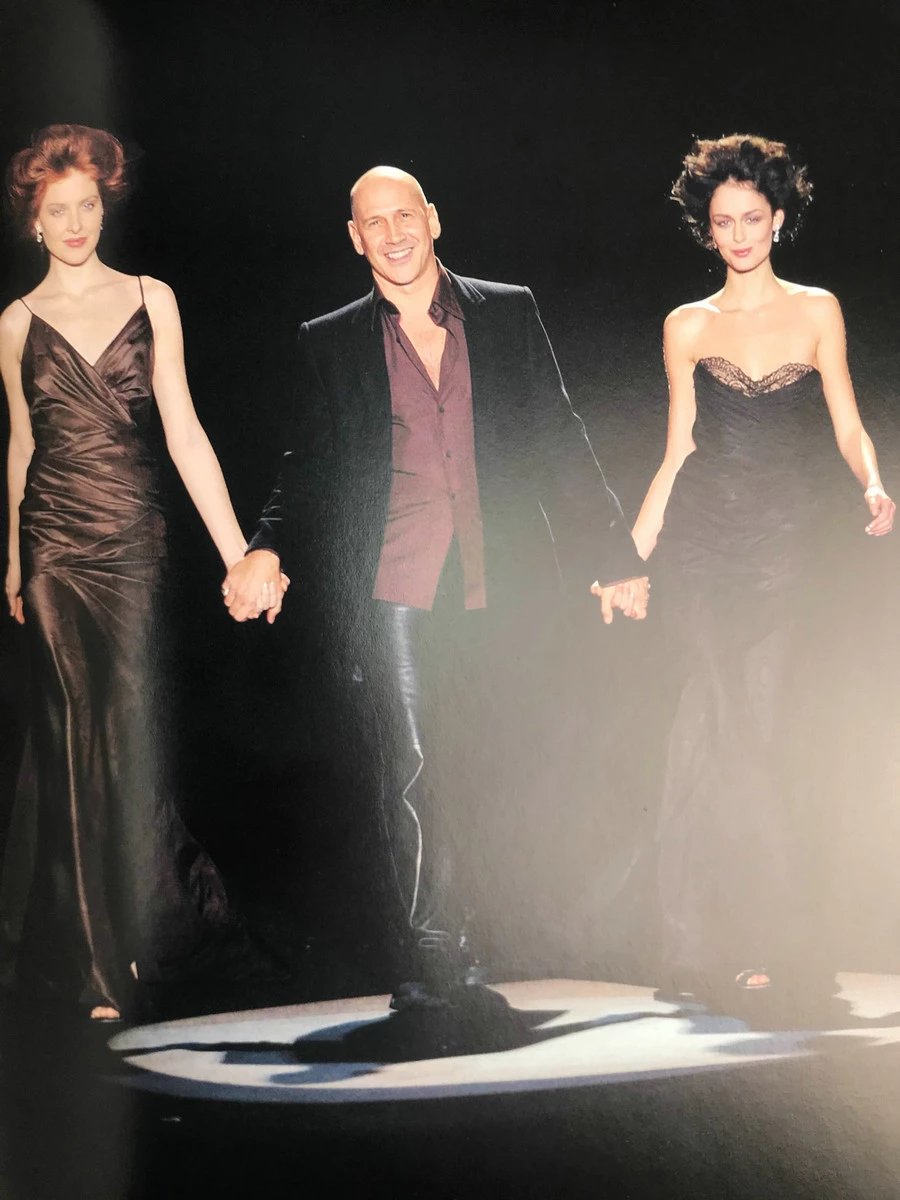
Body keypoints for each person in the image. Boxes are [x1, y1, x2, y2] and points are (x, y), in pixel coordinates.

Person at [221, 165, 649, 1012]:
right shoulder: (330, 338)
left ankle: (477, 931)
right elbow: (306, 465)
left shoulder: (508, 311)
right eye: (373, 222)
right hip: (397, 575)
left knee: (487, 753)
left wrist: (615, 552)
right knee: (411, 758)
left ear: (433, 219)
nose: (393, 233)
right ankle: (430, 947)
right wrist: (266, 545)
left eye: (404, 215)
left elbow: (559, 434)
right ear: (355, 238)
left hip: (496, 570)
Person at [0, 124, 272, 1021]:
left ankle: (155, 927)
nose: (76, 222)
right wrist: (14, 558)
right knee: (71, 730)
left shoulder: (153, 298)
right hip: (52, 543)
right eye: (58, 210)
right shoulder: (15, 323)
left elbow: (185, 431)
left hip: (132, 540)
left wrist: (236, 551)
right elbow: (23, 446)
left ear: (104, 206)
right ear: (34, 222)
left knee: (126, 731)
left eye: (88, 205)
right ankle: (95, 967)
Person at [631, 134, 895, 1012]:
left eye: (752, 218)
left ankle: (737, 943)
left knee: (751, 730)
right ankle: (756, 945)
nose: (739, 234)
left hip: (785, 547)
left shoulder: (818, 310)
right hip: (702, 549)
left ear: (778, 218)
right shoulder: (686, 324)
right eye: (723, 221)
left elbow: (847, 420)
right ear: (706, 229)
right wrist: (628, 555)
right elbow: (679, 450)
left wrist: (872, 483)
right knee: (727, 722)